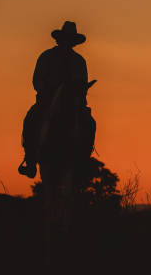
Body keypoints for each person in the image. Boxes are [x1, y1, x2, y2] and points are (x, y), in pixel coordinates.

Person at [18, 21, 95, 178]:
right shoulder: (47, 57)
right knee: (31, 119)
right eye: (65, 39)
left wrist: (79, 91)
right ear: (60, 40)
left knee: (89, 123)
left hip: (73, 103)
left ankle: (84, 160)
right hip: (47, 101)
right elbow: (37, 80)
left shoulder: (79, 61)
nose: (67, 43)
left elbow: (82, 85)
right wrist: (48, 90)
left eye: (70, 40)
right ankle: (30, 160)